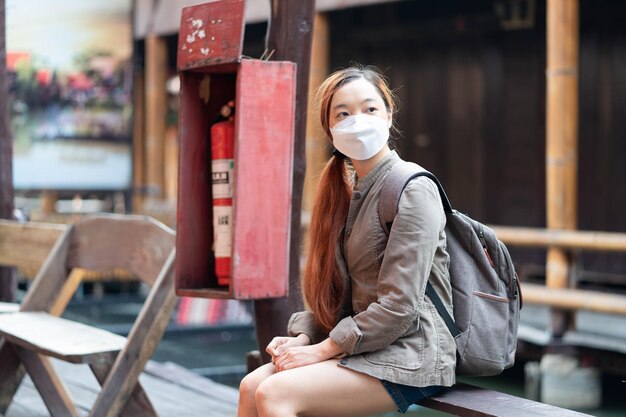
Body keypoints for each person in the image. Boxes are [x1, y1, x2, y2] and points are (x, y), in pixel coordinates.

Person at [238, 66, 456, 417]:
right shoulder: (348, 195)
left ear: (388, 114)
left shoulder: (413, 189)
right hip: (364, 348)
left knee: (275, 394)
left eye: (369, 109)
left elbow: (399, 307)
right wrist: (305, 337)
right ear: (330, 129)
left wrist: (322, 350)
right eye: (343, 113)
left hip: (412, 354)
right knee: (252, 386)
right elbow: (345, 300)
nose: (358, 120)